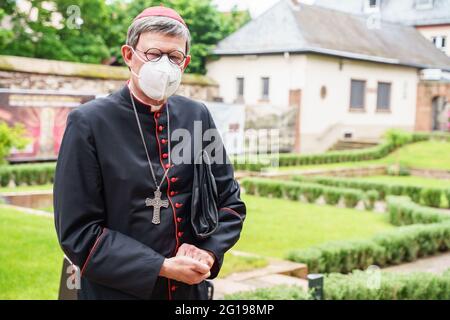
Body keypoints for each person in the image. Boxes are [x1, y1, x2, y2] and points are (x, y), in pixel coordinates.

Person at [53, 5, 246, 300]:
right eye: (154, 54)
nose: (165, 65)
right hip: (117, 294)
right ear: (129, 55)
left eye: (175, 57)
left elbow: (230, 202)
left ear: (185, 62)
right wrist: (162, 266)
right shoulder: (89, 122)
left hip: (188, 294)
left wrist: (208, 251)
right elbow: (78, 233)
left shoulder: (197, 115)